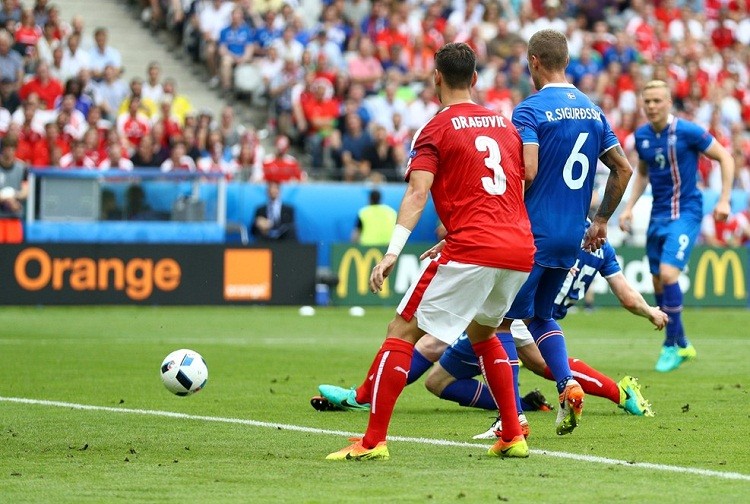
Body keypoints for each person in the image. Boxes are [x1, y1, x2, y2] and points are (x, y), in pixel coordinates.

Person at [325, 42, 536, 462]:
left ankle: (372, 442)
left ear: (435, 77)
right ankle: (512, 433)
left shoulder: (435, 129)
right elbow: (520, 183)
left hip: (475, 246)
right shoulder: (506, 126)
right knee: (484, 332)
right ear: (475, 79)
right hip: (518, 248)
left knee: (400, 332)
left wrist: (391, 253)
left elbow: (417, 192)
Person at [314, 235, 669, 440]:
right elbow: (625, 294)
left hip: (514, 309)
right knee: (439, 381)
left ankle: (365, 395)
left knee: (433, 341)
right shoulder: (599, 247)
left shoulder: (544, 234)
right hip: (531, 315)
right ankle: (527, 405)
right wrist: (651, 312)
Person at [501, 29, 633, 436]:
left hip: (532, 234)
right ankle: (566, 384)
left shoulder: (530, 110)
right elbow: (623, 168)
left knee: (501, 323)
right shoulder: (594, 111)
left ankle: (509, 420)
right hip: (573, 235)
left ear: (534, 62)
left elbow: (529, 171)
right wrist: (601, 220)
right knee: (540, 316)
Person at [618, 80, 735, 373]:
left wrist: (723, 200)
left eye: (658, 100)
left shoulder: (688, 131)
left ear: (669, 102)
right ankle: (680, 342)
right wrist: (630, 206)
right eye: (648, 102)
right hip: (657, 215)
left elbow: (725, 157)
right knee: (657, 281)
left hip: (686, 212)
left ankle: (671, 345)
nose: (652, 106)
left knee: (670, 274)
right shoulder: (641, 137)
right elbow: (643, 172)